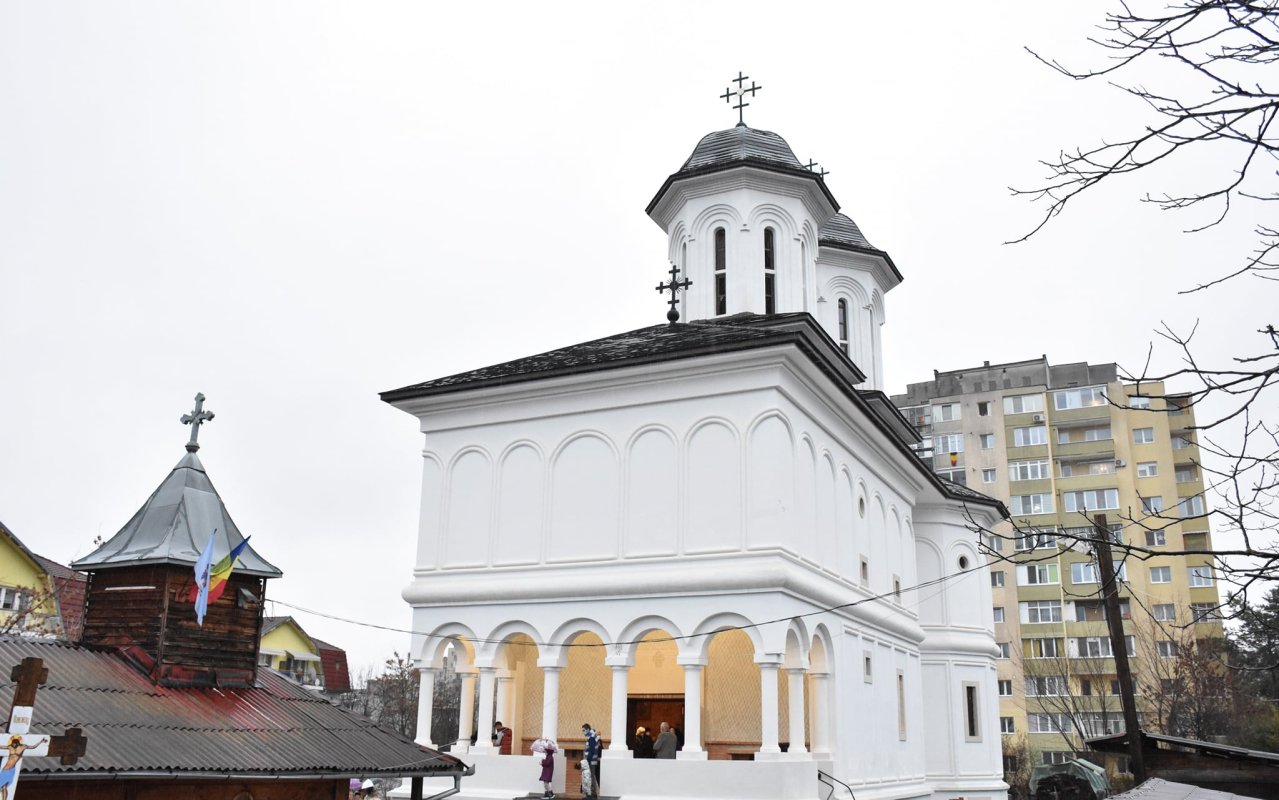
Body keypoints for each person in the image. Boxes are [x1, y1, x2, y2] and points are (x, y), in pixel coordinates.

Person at [581, 722, 601, 799]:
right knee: (589, 777)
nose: (583, 732)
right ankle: (590, 794)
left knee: (591, 777)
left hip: (590, 761)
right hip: (590, 761)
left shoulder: (591, 738)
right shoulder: (591, 738)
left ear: (588, 729)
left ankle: (593, 794)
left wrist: (587, 760)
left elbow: (591, 751)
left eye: (584, 730)